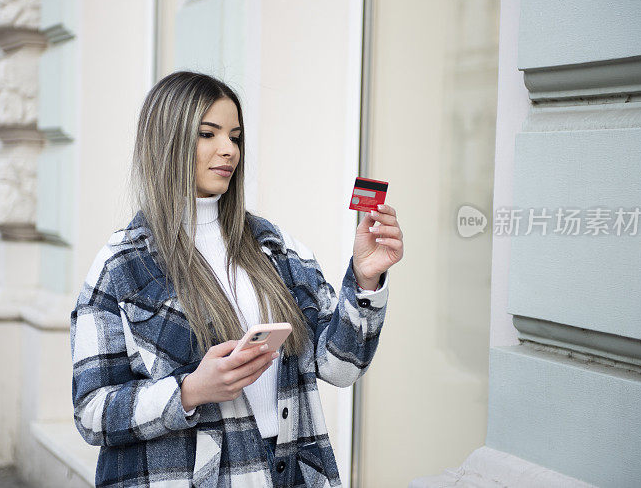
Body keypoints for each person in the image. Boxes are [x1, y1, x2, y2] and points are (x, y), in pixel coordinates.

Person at [70, 71, 403, 487]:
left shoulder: (275, 249)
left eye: (236, 137)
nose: (228, 150)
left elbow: (339, 367)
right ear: (167, 142)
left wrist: (365, 281)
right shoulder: (121, 266)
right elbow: (91, 412)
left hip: (286, 471)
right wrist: (189, 391)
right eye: (208, 134)